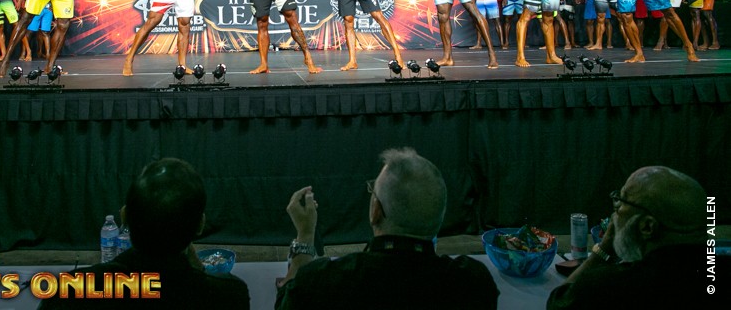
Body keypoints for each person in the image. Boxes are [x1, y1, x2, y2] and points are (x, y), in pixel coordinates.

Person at [276, 147, 499, 309]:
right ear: (439, 214)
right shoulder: (474, 285)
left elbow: (288, 301)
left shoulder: (323, 282)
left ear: (376, 211)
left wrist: (305, 236)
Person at [38, 158, 250, 309]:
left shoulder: (70, 290)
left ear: (125, 216)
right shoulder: (229, 295)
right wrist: (197, 268)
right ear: (200, 225)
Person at [547, 166, 729, 309]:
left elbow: (559, 303)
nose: (616, 211)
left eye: (622, 201)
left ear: (647, 226)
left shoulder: (609, 287)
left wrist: (604, 249)